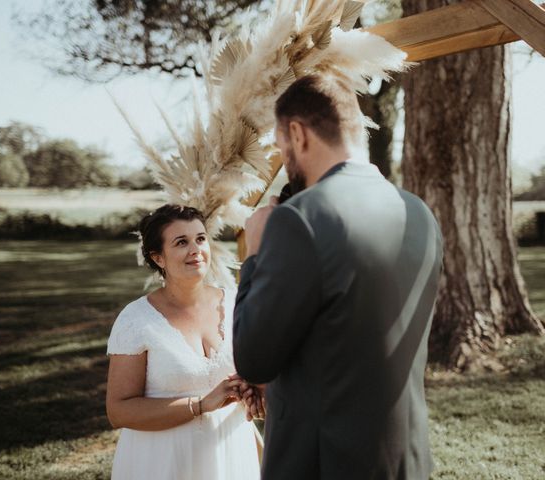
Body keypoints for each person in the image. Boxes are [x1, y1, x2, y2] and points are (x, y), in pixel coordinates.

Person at [233, 74, 443, 480]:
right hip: (406, 459)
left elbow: (254, 359)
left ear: (297, 134)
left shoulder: (300, 219)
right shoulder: (419, 212)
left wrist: (254, 255)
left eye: (281, 146)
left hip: (324, 464)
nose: (285, 159)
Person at [105, 204, 261, 480]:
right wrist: (201, 404)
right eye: (181, 242)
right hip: (163, 460)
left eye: (201, 239)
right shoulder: (136, 320)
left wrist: (255, 388)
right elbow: (119, 411)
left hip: (230, 450)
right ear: (158, 257)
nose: (196, 250)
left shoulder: (237, 302)